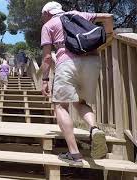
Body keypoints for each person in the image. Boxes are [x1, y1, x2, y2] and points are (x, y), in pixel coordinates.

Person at [40, 1, 114, 164]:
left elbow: (47, 57)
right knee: (80, 102)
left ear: (47, 13)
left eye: (43, 15)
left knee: (60, 105)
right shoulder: (79, 14)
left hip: (67, 63)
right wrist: (109, 37)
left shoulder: (49, 25)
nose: (42, 19)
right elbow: (108, 17)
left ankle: (75, 154)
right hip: (92, 62)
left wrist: (45, 80)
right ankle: (94, 129)